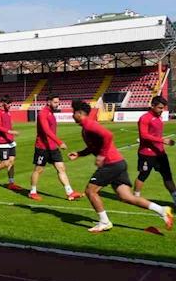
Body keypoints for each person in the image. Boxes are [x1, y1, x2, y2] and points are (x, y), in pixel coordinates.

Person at [68, 100, 172, 233]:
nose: (72, 116)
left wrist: (102, 156)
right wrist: (79, 153)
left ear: (79, 113)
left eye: (73, 113)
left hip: (111, 163)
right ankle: (162, 210)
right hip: (118, 163)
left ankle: (104, 222)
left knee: (90, 191)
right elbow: (93, 147)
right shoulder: (86, 127)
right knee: (126, 197)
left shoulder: (89, 125)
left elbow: (108, 135)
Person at [28, 95, 82, 201]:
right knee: (38, 169)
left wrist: (55, 143)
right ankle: (32, 192)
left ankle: (70, 192)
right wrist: (59, 142)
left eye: (58, 102)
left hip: (52, 147)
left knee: (61, 168)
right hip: (42, 147)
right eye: (55, 102)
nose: (57, 104)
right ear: (49, 102)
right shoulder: (43, 113)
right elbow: (46, 130)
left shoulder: (51, 113)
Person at [134, 95, 176, 206]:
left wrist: (161, 142)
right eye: (160, 108)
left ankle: (175, 198)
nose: (162, 110)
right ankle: (135, 198)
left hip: (160, 152)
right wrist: (163, 140)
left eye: (163, 108)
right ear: (153, 106)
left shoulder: (159, 117)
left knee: (167, 176)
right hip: (147, 153)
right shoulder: (145, 118)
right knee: (143, 175)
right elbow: (143, 135)